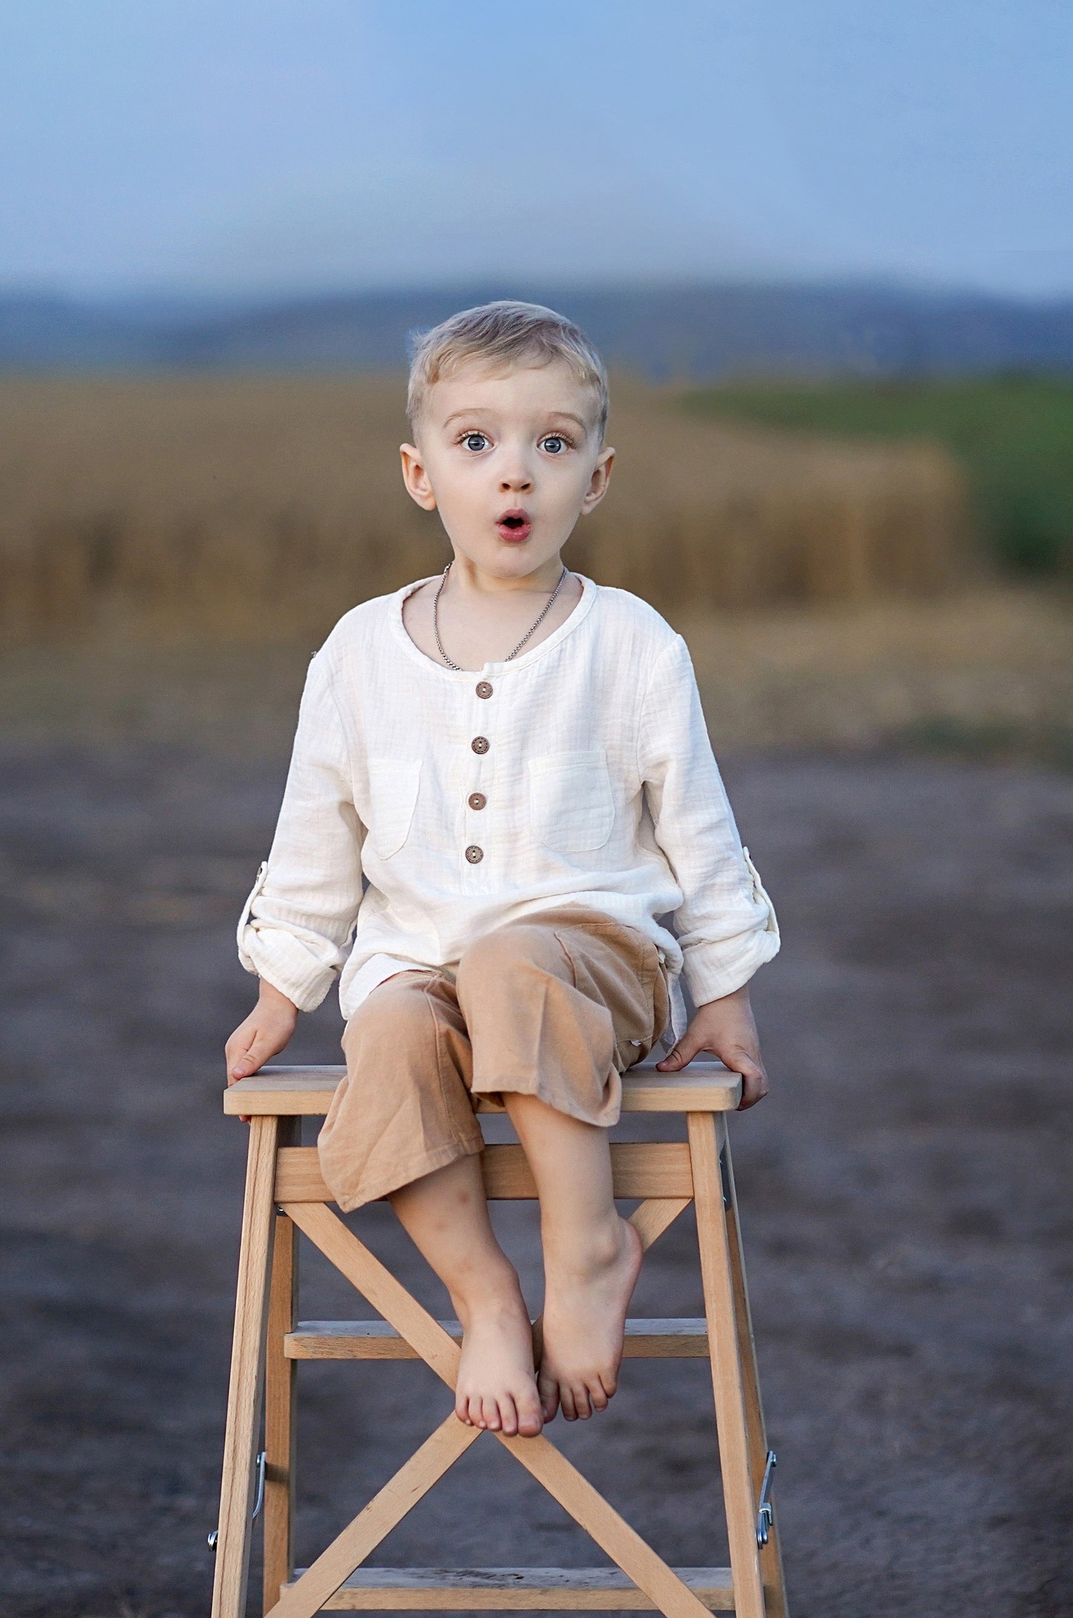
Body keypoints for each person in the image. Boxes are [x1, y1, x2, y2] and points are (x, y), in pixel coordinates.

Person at [223, 300, 778, 1439]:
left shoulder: (628, 644)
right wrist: (285, 985)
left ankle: (585, 1249)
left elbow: (698, 827)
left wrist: (725, 998)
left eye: (553, 444)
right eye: (476, 443)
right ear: (420, 474)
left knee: (512, 957)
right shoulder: (359, 651)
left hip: (587, 966)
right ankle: (483, 1292)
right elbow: (316, 827)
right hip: (423, 967)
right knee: (385, 1033)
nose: (513, 474)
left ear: (599, 476)